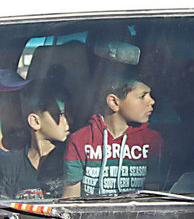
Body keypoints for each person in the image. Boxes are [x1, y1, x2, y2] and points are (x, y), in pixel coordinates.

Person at [62, 69, 163, 197]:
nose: (152, 101)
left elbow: (153, 195)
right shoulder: (80, 140)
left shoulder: (151, 139)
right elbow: (71, 198)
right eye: (142, 96)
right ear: (114, 102)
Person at [0, 79, 70, 199]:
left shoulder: (72, 161)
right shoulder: (10, 168)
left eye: (68, 114)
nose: (68, 121)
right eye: (59, 115)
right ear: (35, 121)